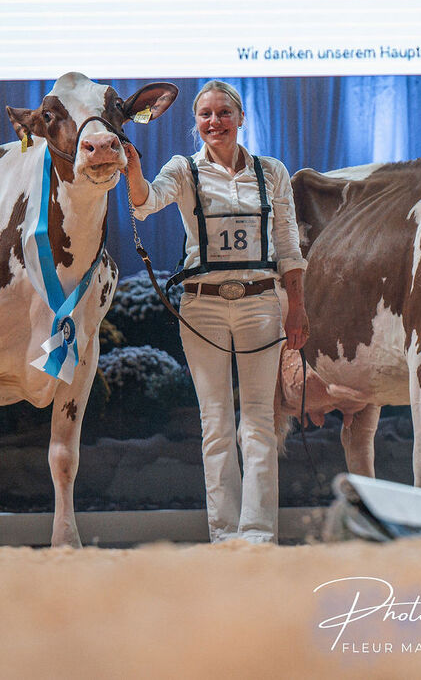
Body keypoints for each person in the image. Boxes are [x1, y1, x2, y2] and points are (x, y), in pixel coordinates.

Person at [122, 80, 309, 543]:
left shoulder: (272, 172)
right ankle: (226, 534)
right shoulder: (184, 170)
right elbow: (145, 203)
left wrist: (297, 306)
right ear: (196, 122)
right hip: (203, 307)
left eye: (224, 113)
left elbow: (287, 244)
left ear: (241, 118)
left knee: (260, 421)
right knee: (217, 423)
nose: (214, 122)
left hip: (263, 301)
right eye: (205, 114)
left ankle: (259, 533)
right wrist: (133, 171)